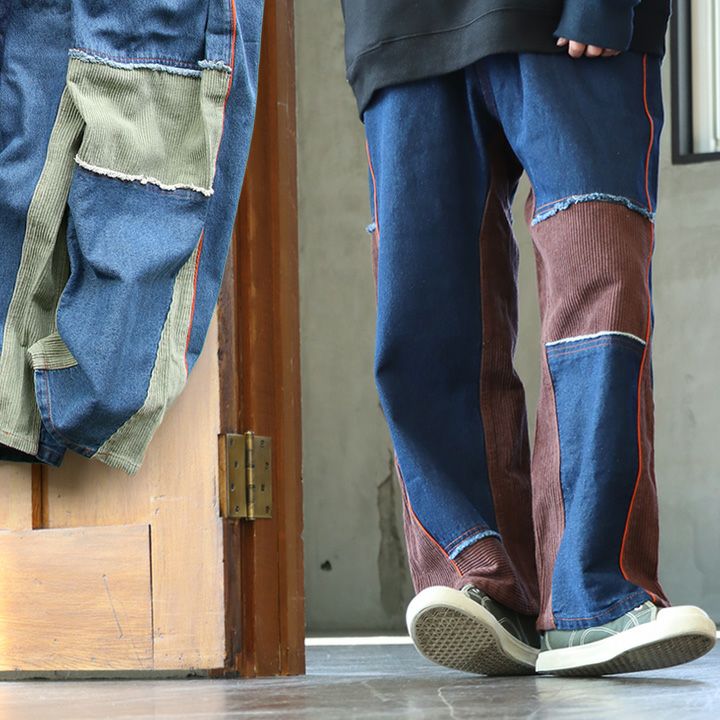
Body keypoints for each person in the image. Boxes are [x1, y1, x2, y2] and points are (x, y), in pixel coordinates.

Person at [342, 0, 718, 676]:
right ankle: (483, 582)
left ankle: (592, 598)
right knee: (424, 319)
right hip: (399, 26)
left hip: (570, 22)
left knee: (598, 297)